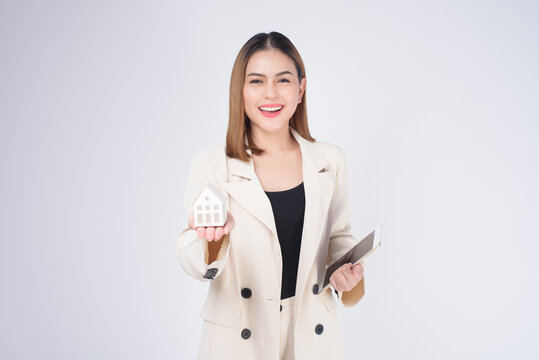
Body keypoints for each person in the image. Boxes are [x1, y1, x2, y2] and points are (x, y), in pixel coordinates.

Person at [176, 31, 366, 360]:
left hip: (311, 333)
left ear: (300, 89)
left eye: (282, 80)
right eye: (256, 81)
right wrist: (213, 240)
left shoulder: (329, 161)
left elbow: (339, 238)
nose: (270, 93)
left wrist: (345, 272)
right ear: (240, 89)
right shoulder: (211, 165)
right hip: (238, 338)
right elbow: (193, 258)